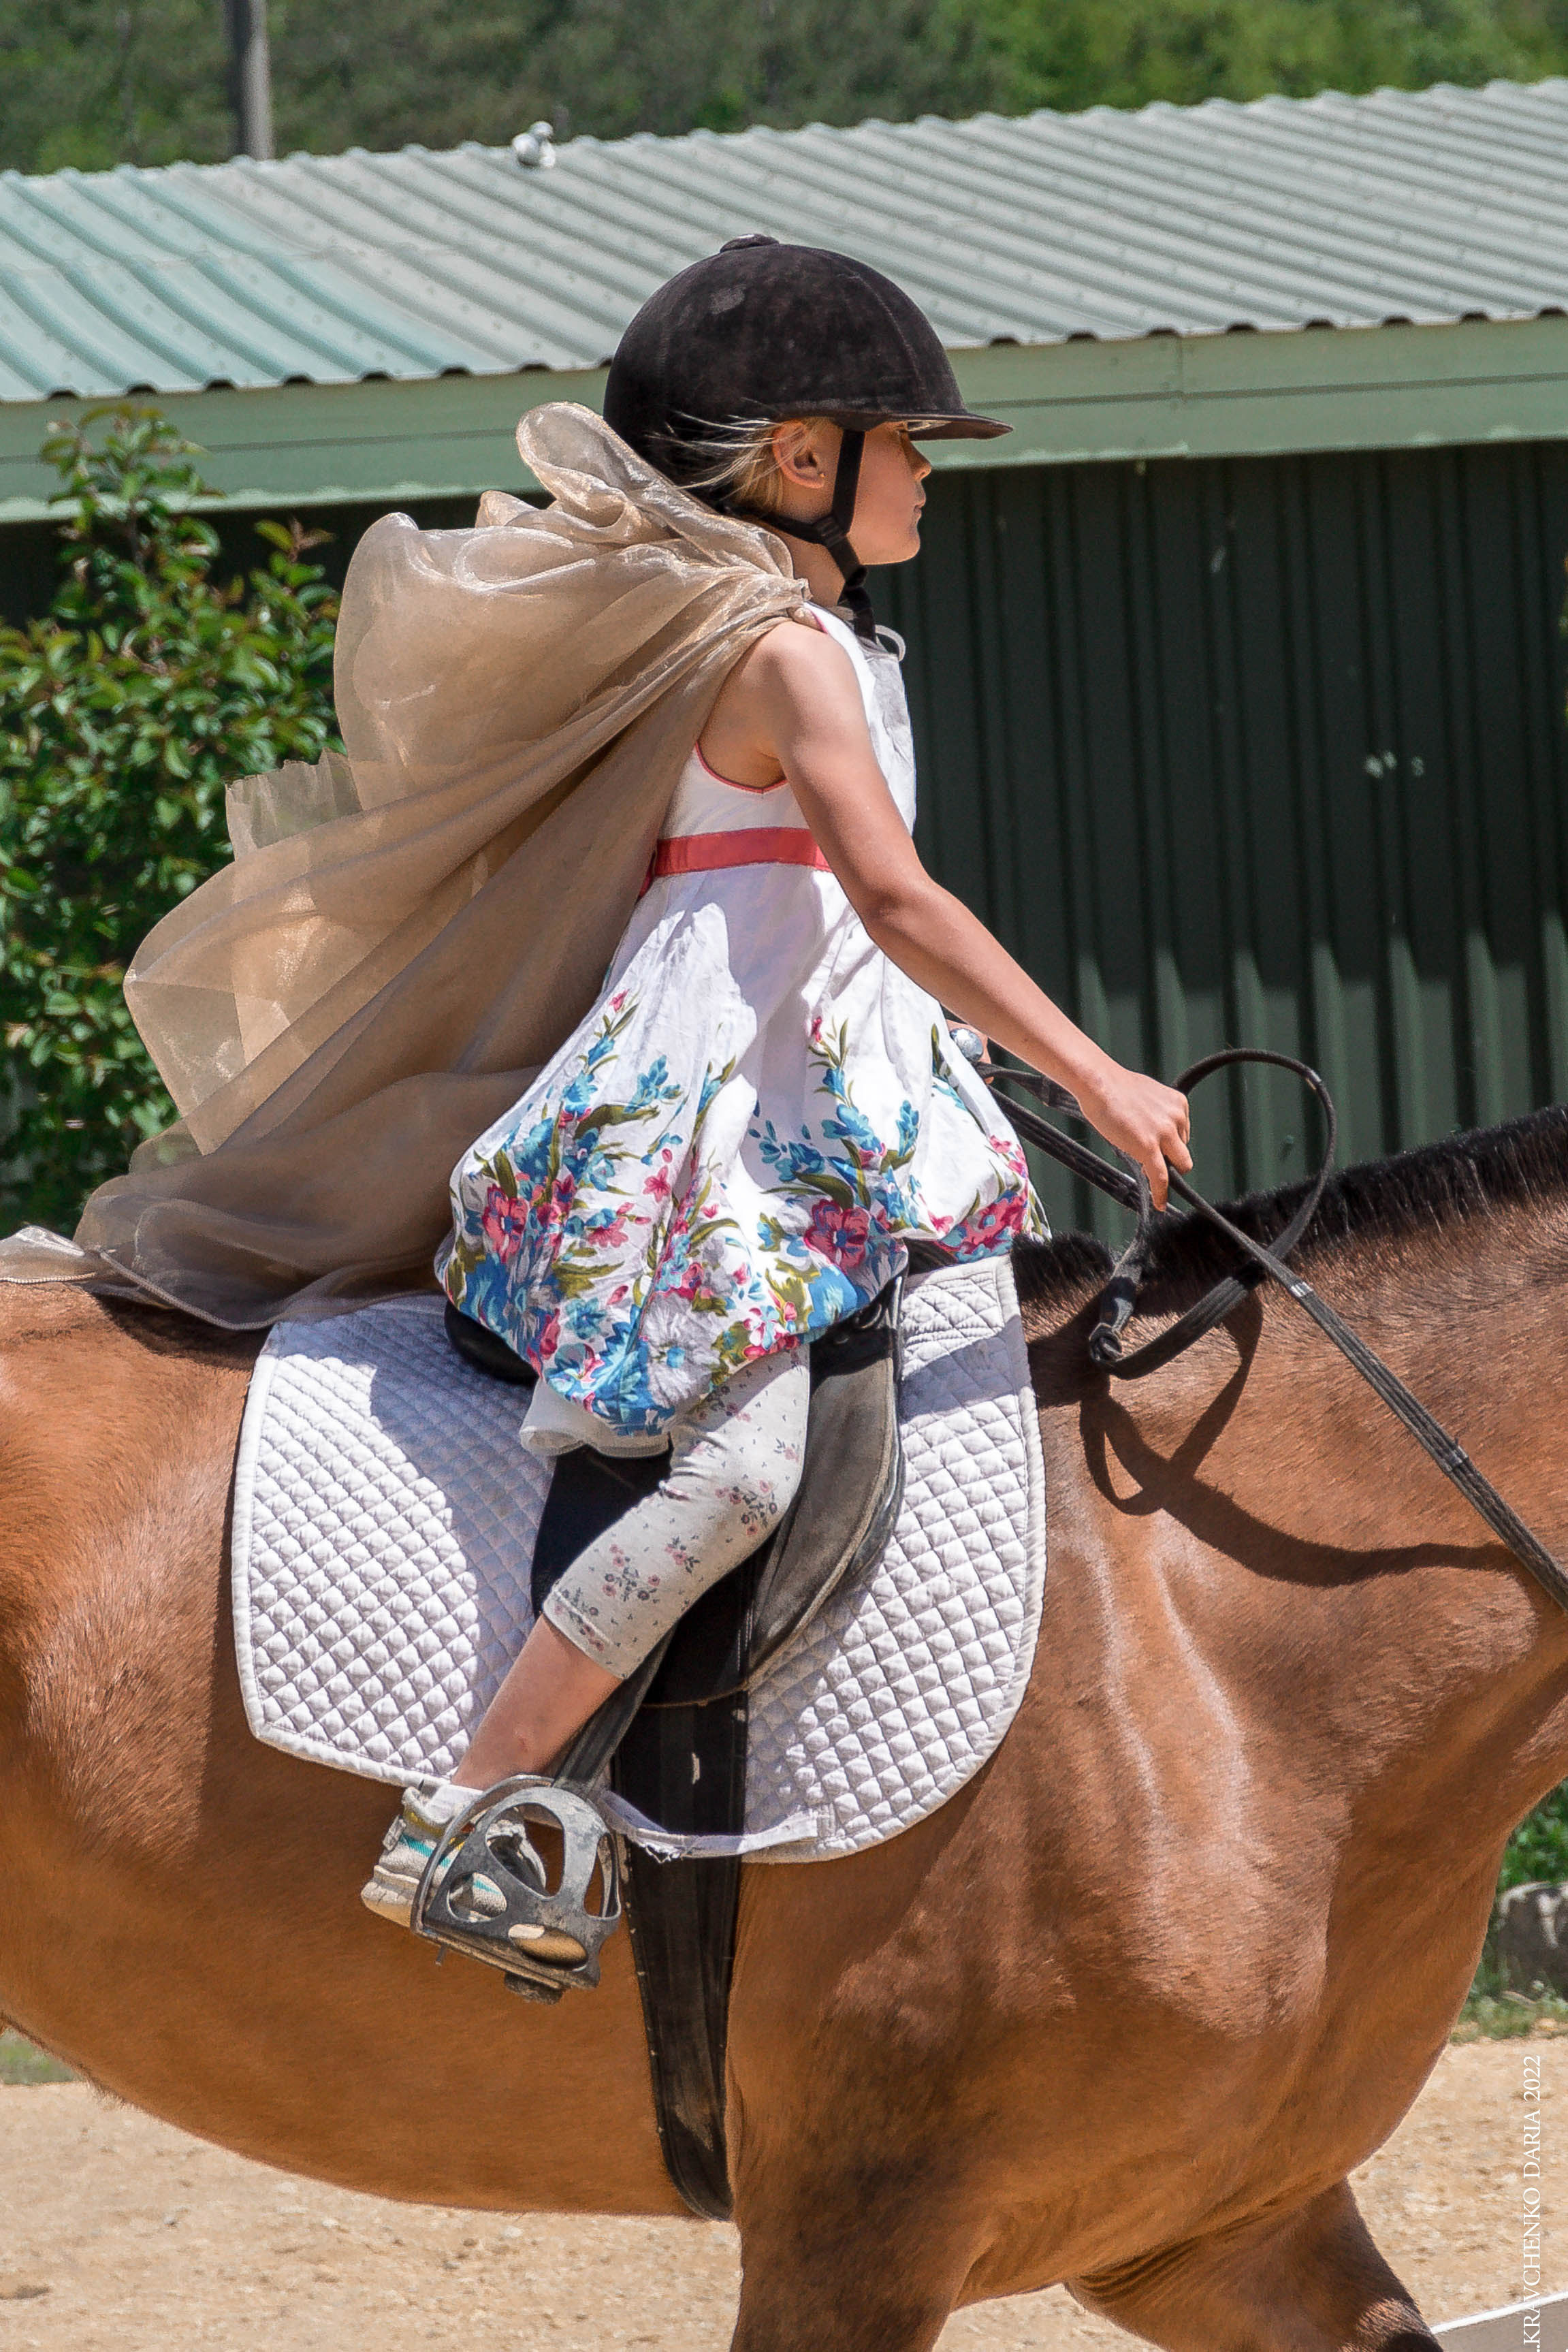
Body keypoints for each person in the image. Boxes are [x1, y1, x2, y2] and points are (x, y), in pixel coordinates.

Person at [359, 237, 1192, 1962]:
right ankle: (476, 1809)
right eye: (909, 442)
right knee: (736, 1472)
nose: (929, 474)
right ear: (802, 459)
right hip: (720, 1104)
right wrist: (1091, 1065)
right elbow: (891, 899)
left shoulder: (828, 637)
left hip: (808, 1068)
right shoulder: (780, 652)